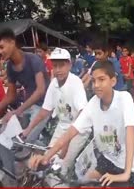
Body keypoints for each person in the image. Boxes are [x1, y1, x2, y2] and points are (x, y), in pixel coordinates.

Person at [29, 60, 134, 187]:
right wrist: (47, 157)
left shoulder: (124, 98)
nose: (96, 85)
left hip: (130, 167)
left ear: (113, 81)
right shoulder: (93, 103)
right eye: (93, 81)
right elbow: (71, 131)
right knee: (83, 185)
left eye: (101, 79)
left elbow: (130, 133)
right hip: (108, 160)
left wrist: (126, 173)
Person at [0, 28, 49, 175]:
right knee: (2, 140)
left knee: (22, 143)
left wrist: (17, 111)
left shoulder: (33, 60)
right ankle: (11, 177)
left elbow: (40, 90)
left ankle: (45, 162)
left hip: (44, 108)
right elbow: (11, 95)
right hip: (28, 107)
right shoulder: (10, 67)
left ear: (12, 42)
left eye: (1, 47)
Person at [22, 47, 89, 176]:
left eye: (62, 66)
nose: (58, 70)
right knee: (46, 162)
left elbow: (82, 115)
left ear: (69, 64)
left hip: (78, 130)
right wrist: (27, 131)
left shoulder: (75, 83)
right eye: (55, 66)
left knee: (59, 168)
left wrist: (66, 143)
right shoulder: (53, 84)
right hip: (62, 126)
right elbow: (45, 110)